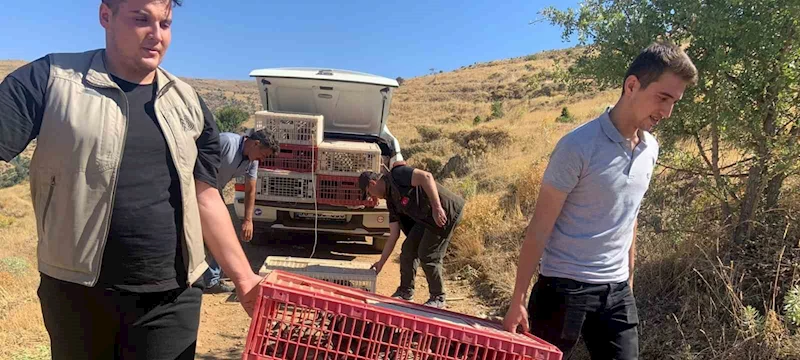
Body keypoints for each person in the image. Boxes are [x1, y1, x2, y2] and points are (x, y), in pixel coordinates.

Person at [0, 0, 263, 358]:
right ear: (105, 16)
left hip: (172, 298)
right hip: (77, 293)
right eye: (142, 20)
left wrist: (245, 279)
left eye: (165, 24)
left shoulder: (188, 103)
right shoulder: (51, 80)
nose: (156, 35)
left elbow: (205, 195)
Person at [502, 42, 698, 359]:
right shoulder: (577, 146)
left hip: (617, 291)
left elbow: (629, 216)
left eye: (674, 102)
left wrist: (629, 283)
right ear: (632, 85)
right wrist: (517, 300)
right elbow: (539, 226)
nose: (667, 112)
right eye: (663, 98)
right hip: (563, 289)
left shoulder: (651, 149)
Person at [360, 163, 465, 309]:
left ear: (372, 184)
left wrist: (437, 207)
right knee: (408, 250)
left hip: (445, 211)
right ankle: (405, 291)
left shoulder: (397, 175)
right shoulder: (391, 201)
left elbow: (426, 177)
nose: (372, 198)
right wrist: (381, 264)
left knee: (428, 254)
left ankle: (438, 297)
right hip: (427, 219)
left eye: (369, 193)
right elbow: (393, 235)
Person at [203, 129, 279, 293]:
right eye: (263, 155)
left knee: (219, 232)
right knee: (208, 232)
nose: (262, 160)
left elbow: (250, 190)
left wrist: (248, 220)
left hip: (214, 190)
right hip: (198, 187)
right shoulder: (226, 143)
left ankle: (211, 280)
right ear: (255, 144)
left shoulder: (252, 161)